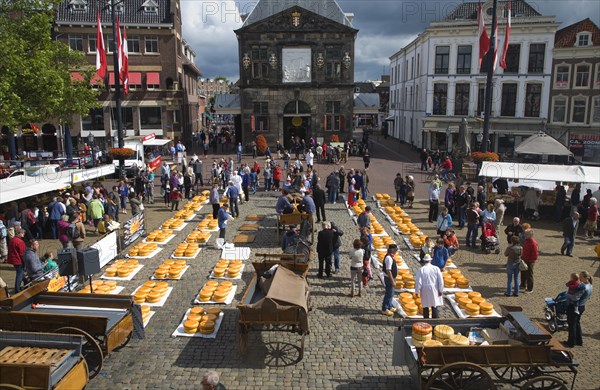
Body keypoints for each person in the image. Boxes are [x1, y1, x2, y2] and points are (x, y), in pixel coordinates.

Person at [565, 271, 592, 347]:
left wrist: (568, 295)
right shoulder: (590, 286)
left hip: (575, 306)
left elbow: (575, 297)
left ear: (583, 277)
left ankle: (571, 342)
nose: (579, 278)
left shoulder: (582, 286)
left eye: (580, 277)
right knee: (577, 323)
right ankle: (578, 340)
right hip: (582, 306)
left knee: (572, 325)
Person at [415, 254, 444, 318]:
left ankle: (426, 321)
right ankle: (435, 321)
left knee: (425, 307)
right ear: (430, 261)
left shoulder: (421, 269)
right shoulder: (436, 268)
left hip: (425, 289)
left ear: (424, 261)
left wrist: (417, 291)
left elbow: (418, 282)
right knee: (434, 306)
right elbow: (440, 280)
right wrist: (441, 290)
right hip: (435, 289)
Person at [381, 244, 399, 316]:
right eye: (396, 250)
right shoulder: (388, 258)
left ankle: (389, 306)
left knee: (391, 293)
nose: (396, 252)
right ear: (393, 250)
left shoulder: (390, 256)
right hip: (389, 279)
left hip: (390, 278)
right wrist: (392, 280)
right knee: (388, 293)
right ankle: (384, 309)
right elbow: (388, 270)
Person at [520, 229, 538, 293]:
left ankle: (530, 289)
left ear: (530, 235)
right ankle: (523, 285)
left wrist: (531, 260)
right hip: (524, 259)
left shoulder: (533, 242)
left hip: (530, 261)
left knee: (529, 274)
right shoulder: (526, 241)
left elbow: (535, 253)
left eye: (526, 234)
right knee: (523, 273)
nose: (525, 235)